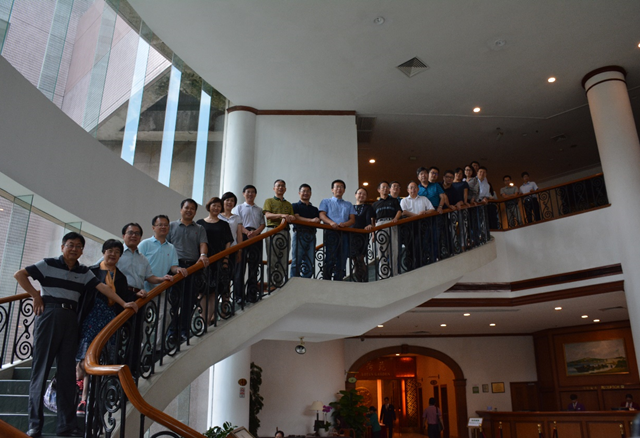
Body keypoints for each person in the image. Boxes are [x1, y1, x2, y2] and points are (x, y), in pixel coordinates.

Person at [13, 232, 138, 438]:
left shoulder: (83, 271)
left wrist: (124, 303)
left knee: (67, 374)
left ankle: (66, 425)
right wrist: (35, 295)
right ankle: (35, 425)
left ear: (82, 251)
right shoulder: (48, 264)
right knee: (41, 370)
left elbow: (103, 287)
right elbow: (20, 274)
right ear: (63, 247)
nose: (74, 249)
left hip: (71, 318)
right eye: (70, 245)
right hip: (50, 314)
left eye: (78, 246)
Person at [75, 240, 143, 417]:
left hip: (110, 319)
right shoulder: (91, 271)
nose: (113, 254)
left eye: (116, 252)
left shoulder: (120, 277)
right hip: (92, 316)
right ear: (103, 252)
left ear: (120, 256)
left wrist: (136, 294)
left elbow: (124, 296)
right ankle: (80, 386)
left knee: (101, 356)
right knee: (86, 356)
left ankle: (87, 398)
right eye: (110, 251)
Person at [167, 199, 209, 342]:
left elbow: (203, 244)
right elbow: (166, 245)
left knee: (189, 301)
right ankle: (172, 331)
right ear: (181, 210)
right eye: (186, 208)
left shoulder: (199, 228)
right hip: (175, 267)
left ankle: (184, 330)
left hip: (192, 268)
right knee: (173, 301)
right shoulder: (171, 226)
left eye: (192, 208)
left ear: (195, 212)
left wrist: (203, 255)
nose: (189, 210)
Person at [197, 197, 233, 322]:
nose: (216, 208)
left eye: (218, 206)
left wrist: (225, 260)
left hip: (218, 261)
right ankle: (202, 319)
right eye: (214, 205)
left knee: (213, 291)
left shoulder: (224, 224)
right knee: (202, 291)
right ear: (209, 206)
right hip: (203, 260)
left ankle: (208, 320)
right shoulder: (200, 223)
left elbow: (228, 243)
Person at [118, 223, 174, 294]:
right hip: (120, 293)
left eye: (137, 233)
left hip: (138, 295)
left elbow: (150, 277)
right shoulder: (117, 254)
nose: (134, 236)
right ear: (123, 236)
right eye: (130, 233)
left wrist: (163, 278)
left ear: (140, 238)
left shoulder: (143, 259)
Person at [138, 215, 189, 293]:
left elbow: (173, 267)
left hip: (161, 287)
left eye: (166, 225)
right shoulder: (145, 244)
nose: (163, 227)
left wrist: (178, 269)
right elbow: (137, 264)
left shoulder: (171, 247)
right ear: (153, 228)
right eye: (160, 225)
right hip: (143, 288)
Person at [318, 179, 356, 281]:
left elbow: (352, 219)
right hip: (331, 232)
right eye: (337, 187)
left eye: (341, 187)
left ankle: (338, 281)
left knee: (342, 259)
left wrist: (345, 224)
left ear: (344, 190)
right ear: (332, 189)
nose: (339, 189)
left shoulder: (348, 204)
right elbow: (322, 215)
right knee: (330, 258)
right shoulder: (326, 201)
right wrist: (331, 223)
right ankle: (326, 281)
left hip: (344, 233)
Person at [234, 185, 266, 301]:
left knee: (254, 266)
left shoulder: (259, 209)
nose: (250, 194)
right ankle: (238, 296)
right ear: (244, 194)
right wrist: (247, 232)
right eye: (248, 192)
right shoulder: (239, 207)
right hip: (243, 236)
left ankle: (251, 294)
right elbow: (237, 224)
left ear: (255, 194)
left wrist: (255, 232)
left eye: (253, 192)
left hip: (256, 237)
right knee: (240, 267)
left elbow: (262, 224)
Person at [263, 179, 296, 288]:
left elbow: (292, 218)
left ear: (285, 189)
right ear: (274, 188)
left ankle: (281, 284)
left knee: (284, 259)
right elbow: (268, 215)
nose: (280, 187)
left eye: (282, 186)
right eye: (278, 186)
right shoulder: (269, 201)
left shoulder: (288, 204)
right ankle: (272, 284)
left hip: (285, 232)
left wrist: (291, 218)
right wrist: (282, 215)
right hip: (272, 230)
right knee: (272, 259)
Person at [400, 182, 434, 269]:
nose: (413, 189)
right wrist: (417, 216)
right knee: (409, 247)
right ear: (407, 190)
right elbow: (404, 212)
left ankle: (421, 264)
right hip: (409, 226)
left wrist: (425, 212)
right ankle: (410, 267)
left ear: (418, 189)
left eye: (415, 187)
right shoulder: (404, 200)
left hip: (422, 225)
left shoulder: (424, 199)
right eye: (411, 188)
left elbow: (432, 209)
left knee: (421, 245)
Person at [372, 181, 402, 277]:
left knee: (394, 249)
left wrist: (396, 219)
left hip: (391, 223)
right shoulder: (375, 204)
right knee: (381, 250)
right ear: (378, 190)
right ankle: (383, 274)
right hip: (379, 225)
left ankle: (394, 273)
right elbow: (373, 219)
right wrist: (373, 233)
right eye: (383, 187)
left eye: (387, 187)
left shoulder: (394, 200)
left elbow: (399, 211)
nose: (385, 189)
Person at [291, 183, 320, 278]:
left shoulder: (314, 209)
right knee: (296, 261)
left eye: (308, 191)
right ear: (299, 193)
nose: (306, 193)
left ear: (310, 193)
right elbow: (296, 217)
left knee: (310, 262)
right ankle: (294, 283)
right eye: (303, 191)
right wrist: (311, 221)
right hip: (299, 234)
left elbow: (318, 221)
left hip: (311, 235)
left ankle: (306, 283)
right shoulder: (295, 205)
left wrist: (315, 221)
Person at [352, 187, 375, 282]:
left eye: (364, 194)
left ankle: (365, 280)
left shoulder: (368, 207)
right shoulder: (350, 207)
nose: (361, 195)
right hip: (351, 236)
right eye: (360, 193)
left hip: (362, 235)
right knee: (354, 260)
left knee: (360, 258)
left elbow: (369, 220)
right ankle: (358, 281)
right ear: (355, 195)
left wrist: (370, 227)